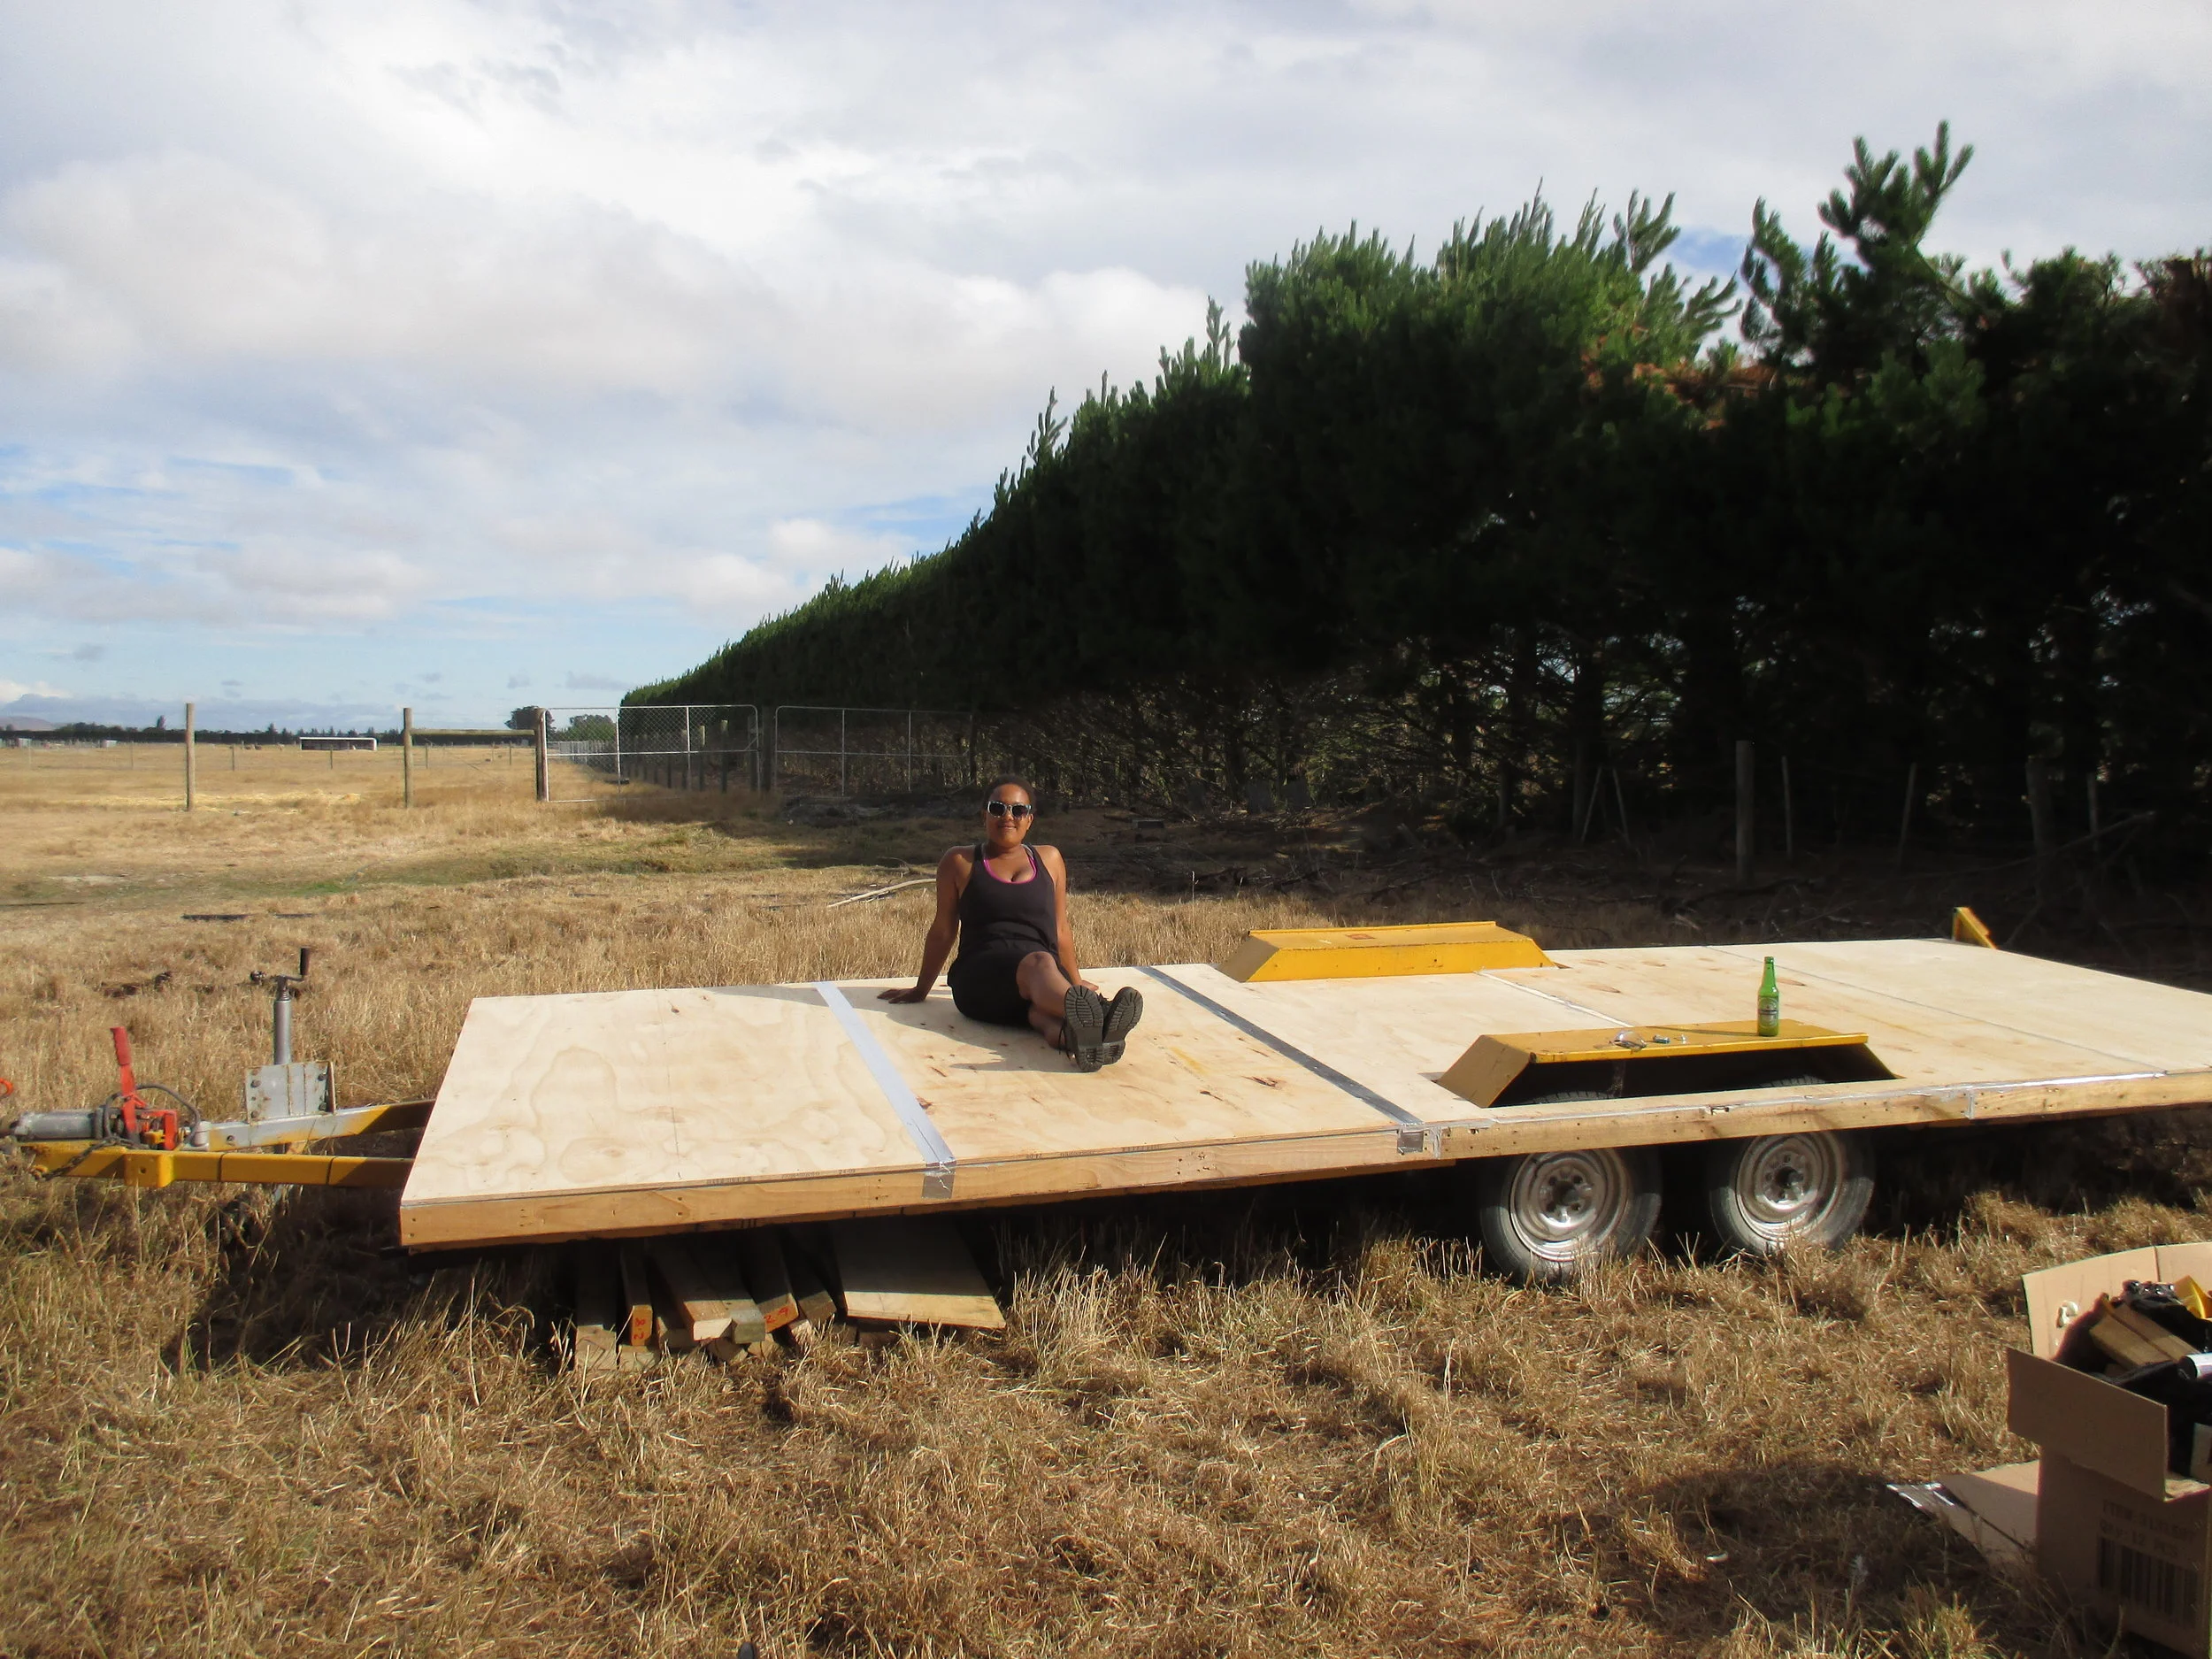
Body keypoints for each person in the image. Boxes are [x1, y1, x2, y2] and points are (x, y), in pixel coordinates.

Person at [878, 776, 1142, 1070]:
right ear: (984, 815)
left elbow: (1061, 929)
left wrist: (1075, 981)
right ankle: (1103, 1013)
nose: (1007, 816)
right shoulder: (960, 861)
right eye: (997, 808)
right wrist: (920, 989)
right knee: (1039, 962)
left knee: (1043, 1017)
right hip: (982, 983)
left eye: (1018, 810)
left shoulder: (1050, 859)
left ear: (1030, 819)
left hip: (1041, 985)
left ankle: (1086, 1042)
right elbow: (943, 931)